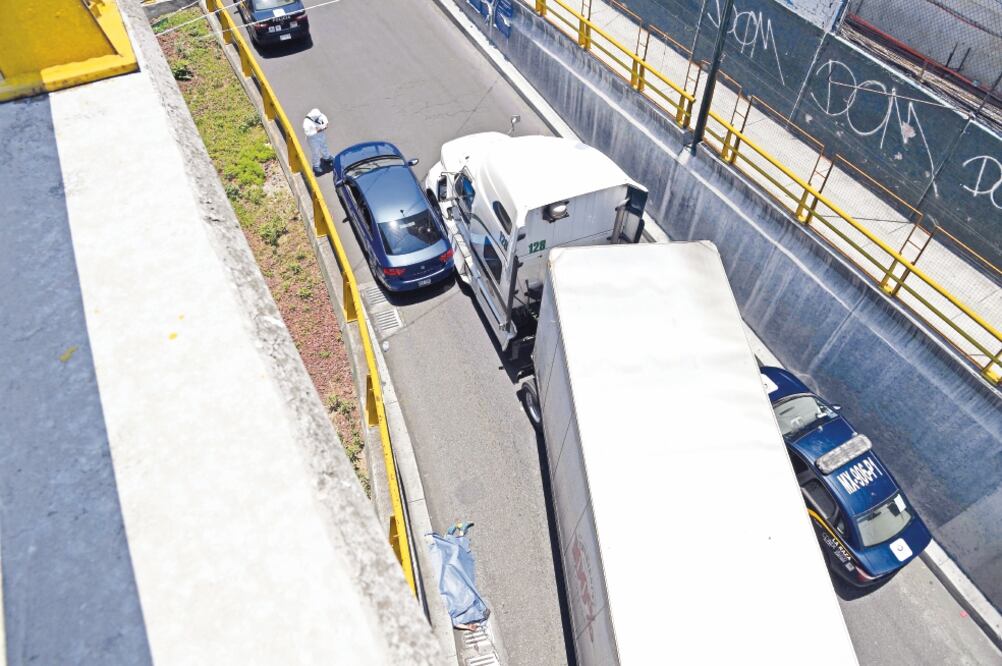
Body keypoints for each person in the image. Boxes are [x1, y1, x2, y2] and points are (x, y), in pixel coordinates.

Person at [303, 108, 333, 176]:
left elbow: (325, 120)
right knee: (315, 152)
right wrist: (317, 130)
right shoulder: (306, 122)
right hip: (313, 139)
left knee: (324, 146)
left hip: (321, 135)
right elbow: (308, 133)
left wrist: (326, 125)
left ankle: (327, 157)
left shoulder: (319, 115)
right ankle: (316, 165)